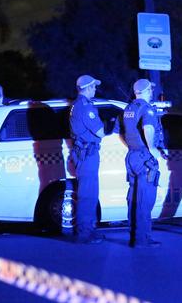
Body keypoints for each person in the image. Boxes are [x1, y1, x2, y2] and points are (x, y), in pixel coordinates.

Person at [122, 79, 165, 248]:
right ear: (147, 91)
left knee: (133, 199)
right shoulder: (147, 109)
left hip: (132, 156)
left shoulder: (128, 109)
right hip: (144, 158)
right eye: (151, 90)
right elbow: (148, 129)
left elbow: (121, 132)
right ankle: (142, 240)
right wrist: (153, 149)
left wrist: (133, 146)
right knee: (145, 200)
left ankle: (134, 235)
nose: (152, 92)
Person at [69, 74, 105, 243]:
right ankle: (84, 233)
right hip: (87, 154)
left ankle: (88, 230)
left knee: (88, 193)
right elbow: (100, 132)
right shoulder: (86, 107)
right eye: (94, 87)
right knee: (88, 194)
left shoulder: (76, 105)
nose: (95, 89)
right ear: (88, 88)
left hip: (82, 153)